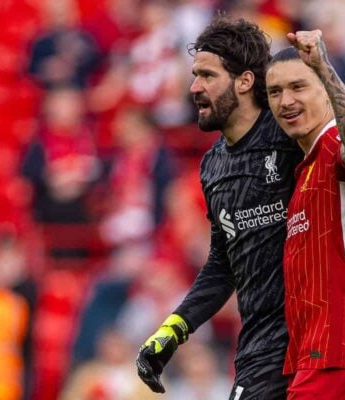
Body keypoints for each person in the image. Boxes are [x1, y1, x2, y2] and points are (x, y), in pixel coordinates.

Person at [135, 15, 303, 399]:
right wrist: (174, 329)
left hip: (313, 339)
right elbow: (223, 262)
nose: (194, 87)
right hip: (258, 346)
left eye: (208, 76)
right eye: (195, 75)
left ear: (245, 81)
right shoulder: (213, 165)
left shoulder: (291, 134)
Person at [265, 31, 345, 399]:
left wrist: (322, 64)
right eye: (275, 92)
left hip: (339, 356)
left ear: (325, 90)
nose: (286, 101)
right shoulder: (303, 168)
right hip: (322, 357)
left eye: (298, 87)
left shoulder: (338, 143)